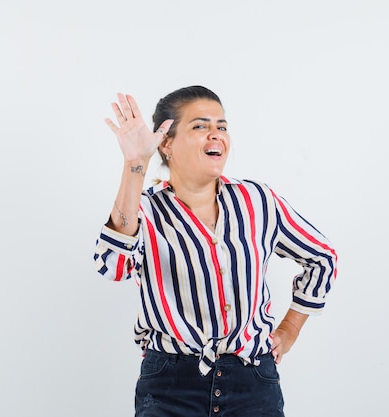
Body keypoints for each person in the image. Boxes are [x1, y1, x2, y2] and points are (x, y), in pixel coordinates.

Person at [93, 85, 338, 417]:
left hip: (253, 383)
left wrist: (290, 328)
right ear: (166, 143)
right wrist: (135, 164)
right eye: (200, 126)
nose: (216, 135)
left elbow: (321, 257)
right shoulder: (144, 211)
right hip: (169, 385)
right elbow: (112, 265)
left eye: (221, 126)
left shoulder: (258, 202)